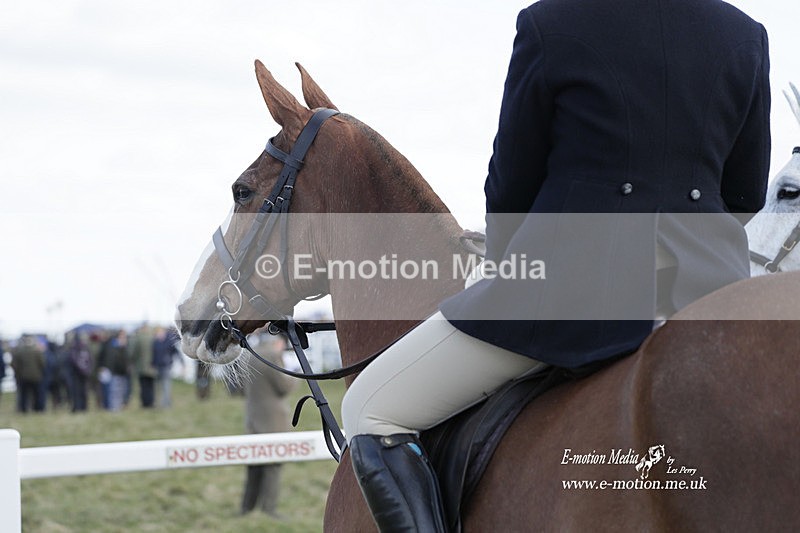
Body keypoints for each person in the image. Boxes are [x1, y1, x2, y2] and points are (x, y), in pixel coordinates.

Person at [340, 1, 770, 530]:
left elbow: (512, 183)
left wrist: (506, 266)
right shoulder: (745, 34)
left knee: (370, 407)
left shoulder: (553, 20)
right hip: (708, 292)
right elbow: (746, 191)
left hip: (571, 288)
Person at [240, 335, 297, 517]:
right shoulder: (273, 355)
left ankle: (246, 507)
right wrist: (295, 375)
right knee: (273, 465)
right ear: (279, 342)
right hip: (272, 419)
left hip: (253, 416)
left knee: (254, 465)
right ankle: (269, 508)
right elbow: (284, 387)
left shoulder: (250, 353)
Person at [11, 335, 47, 413]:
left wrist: (18, 373)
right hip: (36, 376)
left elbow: (14, 364)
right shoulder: (37, 352)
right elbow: (42, 364)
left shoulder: (19, 352)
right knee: (36, 394)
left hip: (23, 377)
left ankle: (23, 409)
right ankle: (37, 409)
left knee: (24, 394)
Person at [98, 330, 130, 412]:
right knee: (114, 392)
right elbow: (114, 360)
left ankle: (116, 407)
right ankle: (113, 408)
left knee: (120, 391)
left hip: (120, 373)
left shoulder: (122, 347)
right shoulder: (113, 346)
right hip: (114, 372)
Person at [152, 327, 181, 408]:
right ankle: (159, 403)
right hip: (157, 367)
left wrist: (182, 363)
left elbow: (176, 352)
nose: (159, 335)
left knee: (166, 386)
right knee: (157, 386)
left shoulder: (169, 342)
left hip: (166, 366)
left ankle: (166, 404)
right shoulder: (155, 342)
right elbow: (153, 355)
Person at [130, 325, 157, 408]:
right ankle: (151, 403)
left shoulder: (138, 339)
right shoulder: (153, 338)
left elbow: (133, 352)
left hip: (141, 367)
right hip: (152, 367)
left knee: (143, 386)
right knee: (151, 386)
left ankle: (145, 404)